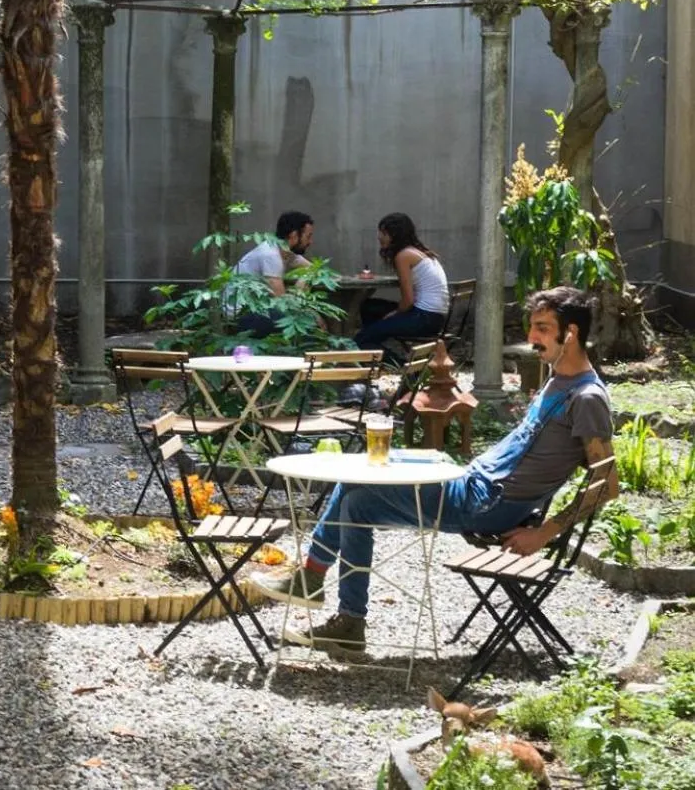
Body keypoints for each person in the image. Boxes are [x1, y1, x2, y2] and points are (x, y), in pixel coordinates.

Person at [251, 285, 617, 658]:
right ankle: (334, 605)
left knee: (358, 497)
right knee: (361, 479)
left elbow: (608, 483)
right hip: (472, 482)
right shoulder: (557, 379)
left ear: (570, 333)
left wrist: (544, 533)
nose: (531, 337)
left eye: (541, 328)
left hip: (487, 503)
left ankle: (329, 598)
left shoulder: (586, 398)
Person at [354, 213, 449, 351]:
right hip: (434, 317)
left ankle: (403, 367)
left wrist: (394, 314)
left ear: (395, 235)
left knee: (359, 341)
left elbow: (408, 301)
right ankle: (375, 337)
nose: (379, 237)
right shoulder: (418, 252)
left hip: (423, 318)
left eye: (383, 233)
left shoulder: (403, 256)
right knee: (369, 307)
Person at [226, 210, 314, 337]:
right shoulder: (270, 254)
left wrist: (304, 279)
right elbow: (282, 303)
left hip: (257, 310)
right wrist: (301, 288)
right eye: (308, 236)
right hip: (240, 315)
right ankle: (311, 356)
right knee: (302, 322)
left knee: (304, 319)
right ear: (294, 236)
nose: (310, 242)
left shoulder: (286, 252)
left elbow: (315, 269)